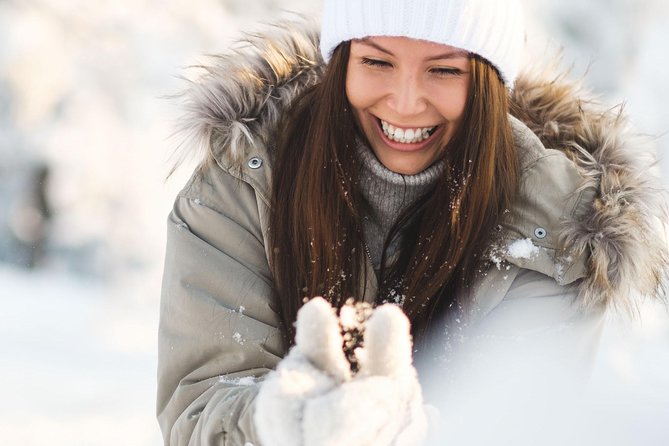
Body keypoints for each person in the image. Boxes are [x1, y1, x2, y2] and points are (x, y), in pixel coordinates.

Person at [157, 0, 668, 445]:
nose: (404, 103)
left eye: (443, 70)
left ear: (488, 82)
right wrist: (283, 423)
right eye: (377, 61)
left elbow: (517, 426)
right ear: (342, 63)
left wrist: (403, 430)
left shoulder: (558, 232)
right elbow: (203, 405)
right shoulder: (244, 183)